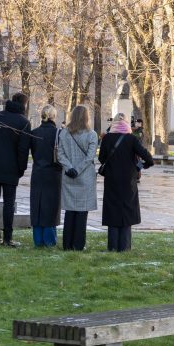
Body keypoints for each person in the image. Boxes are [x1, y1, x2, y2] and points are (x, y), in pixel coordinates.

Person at [0, 92, 31, 247]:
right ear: (24, 104)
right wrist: (20, 169)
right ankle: (8, 238)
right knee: (9, 203)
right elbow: (23, 150)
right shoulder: (23, 122)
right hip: (11, 168)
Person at [99, 112, 155, 252]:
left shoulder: (107, 139)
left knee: (112, 212)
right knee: (127, 212)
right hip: (128, 181)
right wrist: (137, 167)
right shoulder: (131, 139)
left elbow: (101, 159)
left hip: (111, 179)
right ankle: (124, 247)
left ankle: (112, 247)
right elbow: (149, 159)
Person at [57, 105, 99, 251]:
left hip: (69, 176)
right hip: (85, 176)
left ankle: (67, 244)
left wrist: (69, 168)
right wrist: (78, 170)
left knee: (70, 210)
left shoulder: (64, 133)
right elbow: (90, 157)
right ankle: (78, 244)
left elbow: (60, 154)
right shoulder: (92, 134)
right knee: (82, 212)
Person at [29, 105, 63, 247]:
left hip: (37, 172)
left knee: (37, 206)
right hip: (53, 174)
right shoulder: (58, 133)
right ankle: (50, 240)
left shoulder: (34, 133)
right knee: (51, 207)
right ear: (53, 116)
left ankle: (38, 239)